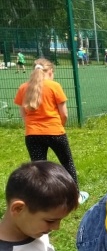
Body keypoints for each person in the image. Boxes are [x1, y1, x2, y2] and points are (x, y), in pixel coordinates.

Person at [13, 58, 89, 204]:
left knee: (39, 169)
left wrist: (32, 126)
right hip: (55, 132)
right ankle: (75, 197)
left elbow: (23, 114)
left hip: (32, 134)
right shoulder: (54, 86)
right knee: (67, 163)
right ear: (50, 72)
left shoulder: (23, 88)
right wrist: (60, 126)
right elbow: (64, 114)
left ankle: (43, 200)